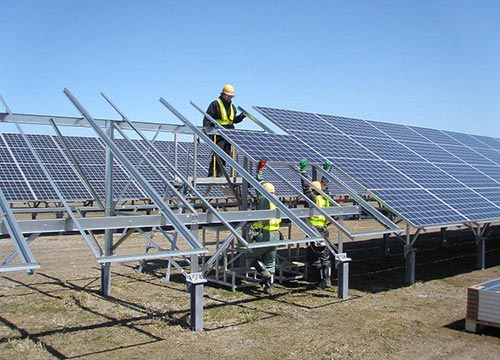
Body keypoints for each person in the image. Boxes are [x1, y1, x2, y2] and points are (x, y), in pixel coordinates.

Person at [247, 159, 281, 294]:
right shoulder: (278, 200)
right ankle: (269, 287)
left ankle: (264, 274)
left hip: (264, 234)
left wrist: (259, 170)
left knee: (251, 257)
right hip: (276, 234)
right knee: (270, 261)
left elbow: (258, 184)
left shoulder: (263, 198)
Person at [299, 158, 332, 288]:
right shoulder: (325, 197)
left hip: (314, 230)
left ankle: (319, 281)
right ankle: (327, 279)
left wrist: (303, 171)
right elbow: (324, 186)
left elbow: (306, 188)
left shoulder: (313, 198)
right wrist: (325, 171)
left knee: (313, 257)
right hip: (324, 229)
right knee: (325, 257)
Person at [203, 84, 246, 177]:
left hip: (229, 133)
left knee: (226, 154)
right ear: (223, 94)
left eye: (231, 96)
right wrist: (207, 132)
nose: (229, 98)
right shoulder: (215, 104)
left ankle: (220, 173)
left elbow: (234, 120)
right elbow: (207, 119)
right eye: (228, 96)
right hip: (218, 133)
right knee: (218, 153)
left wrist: (242, 116)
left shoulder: (232, 107)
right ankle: (212, 174)